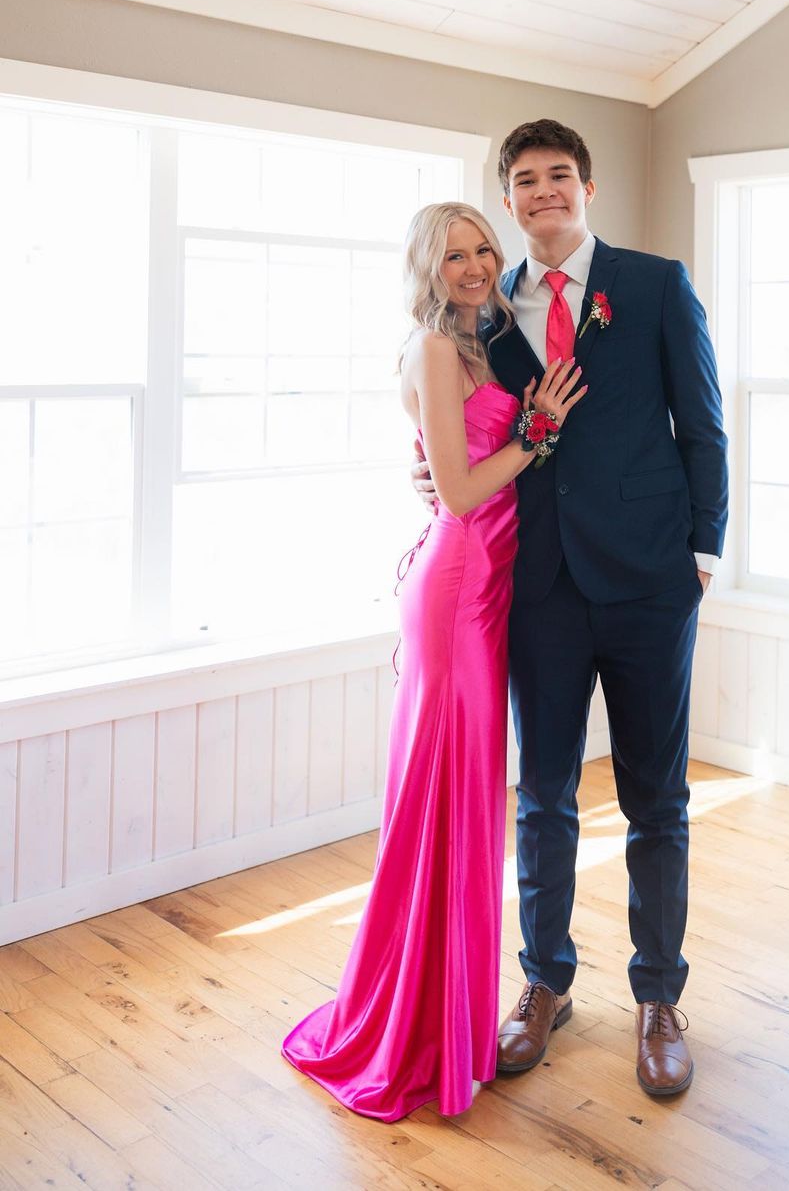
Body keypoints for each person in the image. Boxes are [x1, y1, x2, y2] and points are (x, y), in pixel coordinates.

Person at [413, 120, 728, 1097]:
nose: (542, 190)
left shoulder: (656, 284)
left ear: (587, 187)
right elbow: (460, 423)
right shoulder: (484, 306)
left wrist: (702, 556)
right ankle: (544, 982)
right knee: (543, 795)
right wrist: (427, 472)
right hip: (537, 586)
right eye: (524, 179)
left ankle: (659, 997)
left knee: (656, 801)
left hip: (650, 585)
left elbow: (703, 425)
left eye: (559, 175)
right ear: (508, 199)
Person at [282, 202, 585, 1122]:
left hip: (484, 589)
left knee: (462, 802)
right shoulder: (433, 348)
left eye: (484, 248)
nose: (477, 264)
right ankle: (413, 1026)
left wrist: (520, 433)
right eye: (455, 255)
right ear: (427, 266)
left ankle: (442, 1013)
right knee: (444, 803)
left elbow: (449, 465)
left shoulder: (482, 344)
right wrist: (537, 431)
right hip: (458, 592)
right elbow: (456, 492)